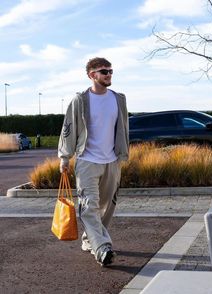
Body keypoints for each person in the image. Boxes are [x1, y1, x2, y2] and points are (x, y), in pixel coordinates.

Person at [58, 57, 129, 266]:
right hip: (87, 161)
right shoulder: (80, 100)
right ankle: (102, 248)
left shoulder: (119, 99)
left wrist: (122, 154)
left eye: (111, 71)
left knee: (107, 206)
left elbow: (123, 128)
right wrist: (64, 157)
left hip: (112, 161)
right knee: (89, 206)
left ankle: (90, 240)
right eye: (104, 71)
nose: (109, 74)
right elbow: (68, 129)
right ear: (92, 75)